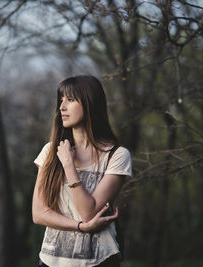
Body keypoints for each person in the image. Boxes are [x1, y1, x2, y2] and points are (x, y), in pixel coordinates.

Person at [32, 75, 132, 267]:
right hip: (50, 261)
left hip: (99, 261)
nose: (62, 107)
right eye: (61, 100)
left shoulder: (116, 155)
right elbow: (39, 213)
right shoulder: (50, 151)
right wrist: (81, 227)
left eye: (70, 100)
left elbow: (88, 211)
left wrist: (69, 166)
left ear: (90, 103)